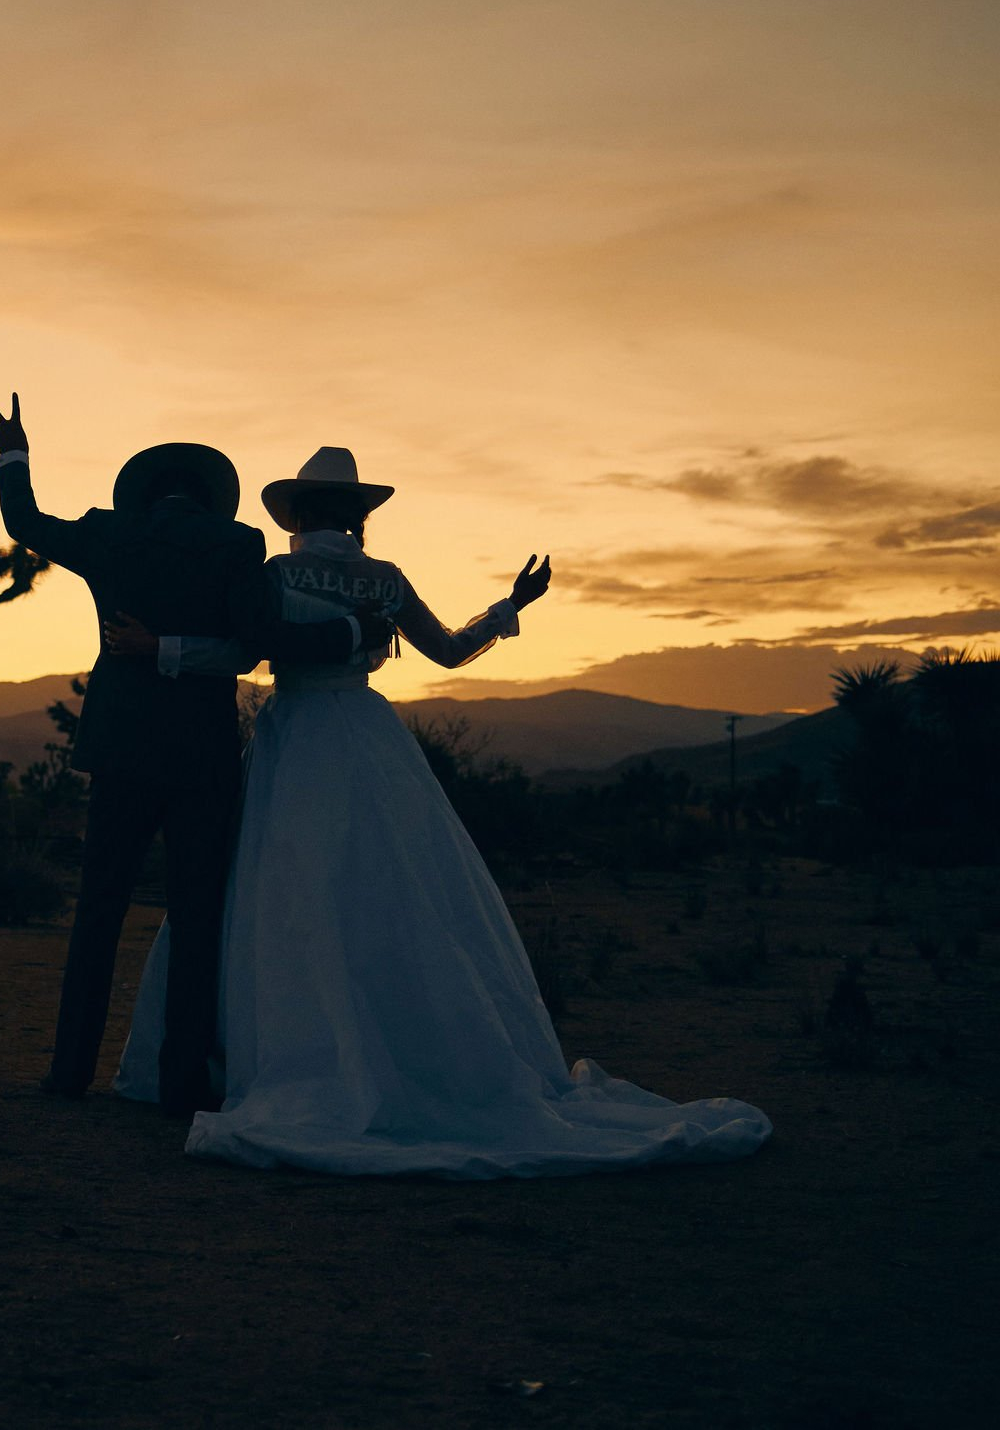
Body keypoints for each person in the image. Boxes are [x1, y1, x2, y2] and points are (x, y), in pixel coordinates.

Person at [108, 446, 772, 1177]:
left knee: (276, 890)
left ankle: (263, 1051)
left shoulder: (275, 574)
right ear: (359, 515)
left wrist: (161, 648)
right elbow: (452, 651)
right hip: (364, 735)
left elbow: (241, 649)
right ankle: (401, 1047)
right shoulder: (385, 581)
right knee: (391, 893)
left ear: (296, 514)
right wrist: (510, 608)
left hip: (294, 739)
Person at [0, 398, 394, 1116]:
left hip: (119, 747)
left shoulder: (109, 536)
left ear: (144, 491)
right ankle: (180, 1084)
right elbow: (266, 639)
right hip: (203, 754)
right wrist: (351, 633)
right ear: (213, 496)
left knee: (99, 911)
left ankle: (69, 1070)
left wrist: (14, 453)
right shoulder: (236, 548)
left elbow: (24, 524)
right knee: (198, 916)